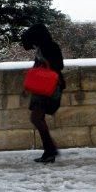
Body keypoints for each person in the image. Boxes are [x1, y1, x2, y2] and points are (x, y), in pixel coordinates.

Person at [21, 23, 65, 163]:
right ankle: (50, 151)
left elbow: (59, 66)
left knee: (36, 118)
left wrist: (45, 62)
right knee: (37, 118)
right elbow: (36, 66)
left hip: (50, 87)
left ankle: (50, 150)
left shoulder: (51, 47)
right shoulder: (40, 47)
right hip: (41, 87)